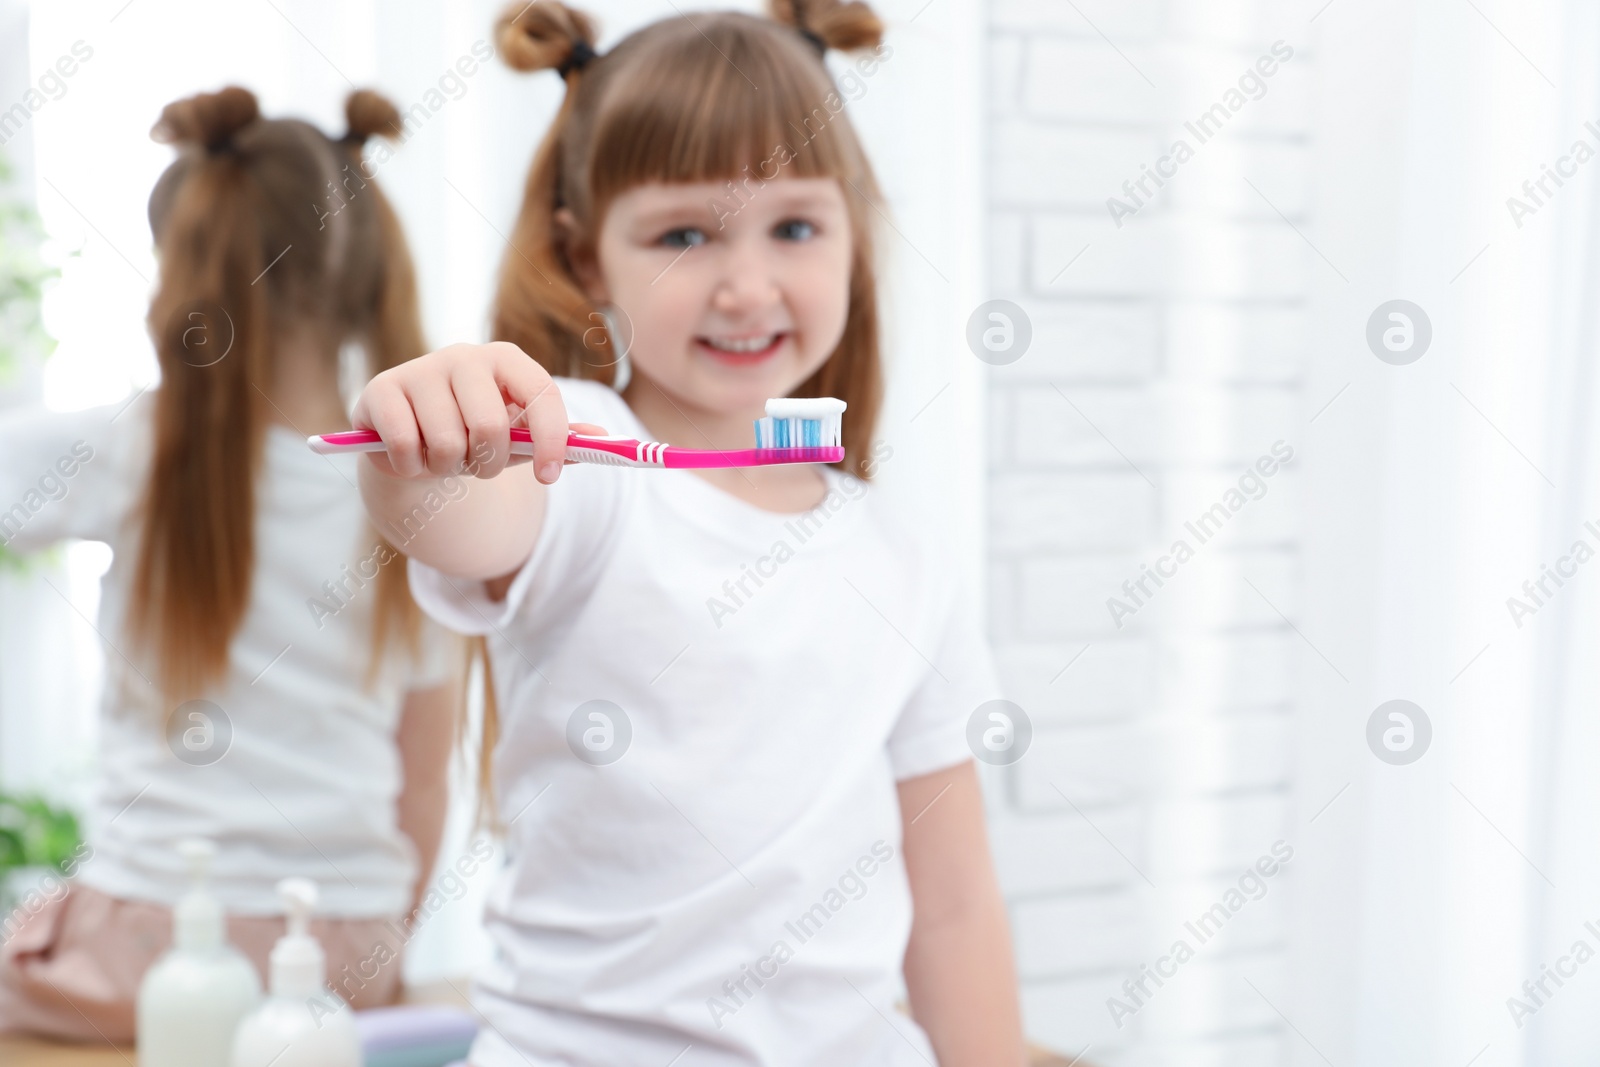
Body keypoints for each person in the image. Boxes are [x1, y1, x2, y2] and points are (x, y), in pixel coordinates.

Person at [351, 1, 1025, 1064]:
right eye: (682, 234)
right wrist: (428, 440)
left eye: (794, 227)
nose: (746, 285)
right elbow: (462, 518)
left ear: (853, 234)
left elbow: (952, 906)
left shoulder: (903, 552)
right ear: (584, 262)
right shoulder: (581, 461)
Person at [0, 86, 459, 1041]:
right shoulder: (428, 497)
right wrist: (386, 957)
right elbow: (423, 785)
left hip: (145, 949)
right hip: (342, 960)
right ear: (372, 279)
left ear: (183, 273)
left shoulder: (134, 450)